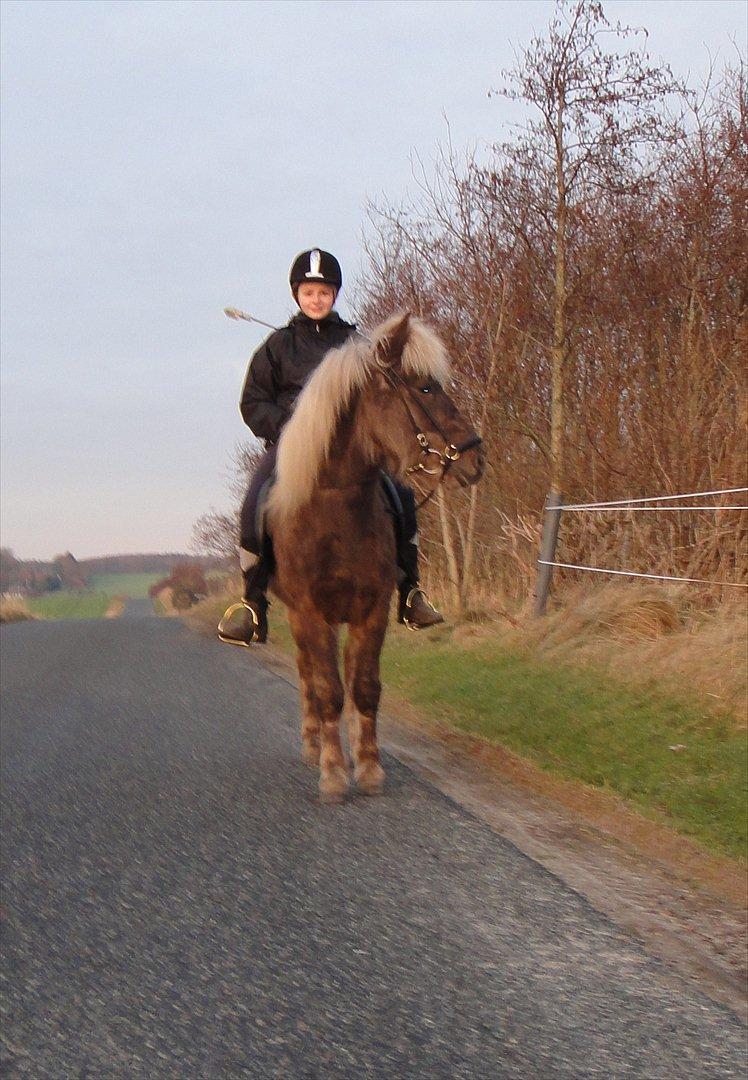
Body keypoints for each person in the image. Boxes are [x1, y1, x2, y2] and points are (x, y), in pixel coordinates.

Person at [218, 248, 444, 647]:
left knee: (402, 494)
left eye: (324, 292)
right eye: (309, 292)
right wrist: (292, 428)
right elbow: (253, 402)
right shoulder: (277, 346)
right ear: (297, 295)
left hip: (352, 451)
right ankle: (252, 604)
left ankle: (410, 591)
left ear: (334, 295)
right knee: (254, 501)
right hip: (292, 449)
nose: (316, 299)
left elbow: (381, 394)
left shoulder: (356, 343)